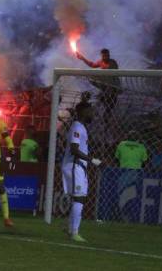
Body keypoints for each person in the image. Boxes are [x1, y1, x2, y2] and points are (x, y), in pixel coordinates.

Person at [62, 102, 99, 243]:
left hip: (79, 166)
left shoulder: (81, 127)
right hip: (74, 165)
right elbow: (74, 149)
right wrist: (93, 160)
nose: (92, 114)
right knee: (78, 198)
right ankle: (74, 232)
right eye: (90, 111)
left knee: (80, 198)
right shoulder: (77, 127)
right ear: (83, 111)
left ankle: (70, 228)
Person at [75, 48, 120, 123]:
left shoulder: (113, 63)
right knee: (100, 102)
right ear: (101, 56)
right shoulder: (101, 62)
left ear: (109, 55)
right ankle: (99, 118)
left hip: (113, 89)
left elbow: (111, 75)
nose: (105, 58)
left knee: (109, 107)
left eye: (107, 56)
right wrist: (83, 58)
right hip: (105, 89)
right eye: (103, 56)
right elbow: (92, 65)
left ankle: (107, 119)